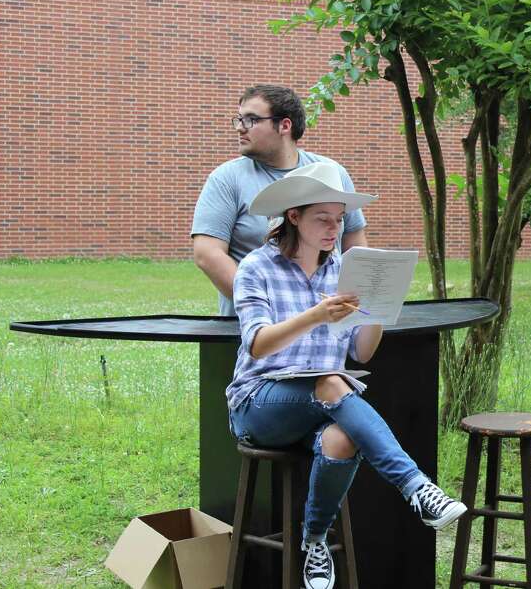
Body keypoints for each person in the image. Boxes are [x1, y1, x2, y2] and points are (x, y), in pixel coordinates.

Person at [227, 161, 466, 589]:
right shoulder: (256, 268)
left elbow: (362, 351)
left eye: (339, 220)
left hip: (322, 406)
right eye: (323, 219)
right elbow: (258, 343)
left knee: (343, 438)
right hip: (259, 403)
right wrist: (316, 315)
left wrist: (377, 310)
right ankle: (416, 487)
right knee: (332, 383)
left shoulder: (341, 271)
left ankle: (314, 542)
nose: (333, 229)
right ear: (294, 217)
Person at [191, 84, 368, 316]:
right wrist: (268, 306)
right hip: (255, 331)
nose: (240, 128)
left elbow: (354, 246)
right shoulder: (226, 179)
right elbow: (207, 254)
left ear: (284, 125)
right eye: (239, 119)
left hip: (328, 328)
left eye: (251, 119)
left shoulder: (331, 172)